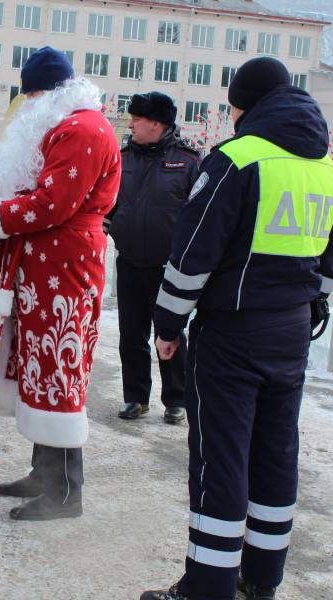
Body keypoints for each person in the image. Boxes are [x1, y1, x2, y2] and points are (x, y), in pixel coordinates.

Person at [140, 56, 333, 600]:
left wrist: (167, 322)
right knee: (276, 455)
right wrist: (309, 310)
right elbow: (329, 266)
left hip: (232, 337)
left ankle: (206, 588)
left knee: (220, 460)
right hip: (291, 335)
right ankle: (261, 580)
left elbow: (191, 255)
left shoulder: (236, 159)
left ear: (245, 104)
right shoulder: (327, 168)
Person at [0, 47, 121, 521]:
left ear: (49, 93)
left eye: (32, 96)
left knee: (59, 371)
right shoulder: (67, 124)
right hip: (46, 264)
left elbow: (50, 205)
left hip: (64, 266)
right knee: (38, 367)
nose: (26, 107)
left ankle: (67, 491)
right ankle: (45, 472)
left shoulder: (83, 129)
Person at [105, 92, 199, 423]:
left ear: (156, 125)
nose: (130, 124)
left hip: (168, 268)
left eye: (137, 119)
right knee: (131, 334)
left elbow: (197, 214)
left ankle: (176, 400)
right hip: (129, 261)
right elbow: (108, 204)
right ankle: (136, 397)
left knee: (169, 333)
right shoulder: (123, 158)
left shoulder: (188, 162)